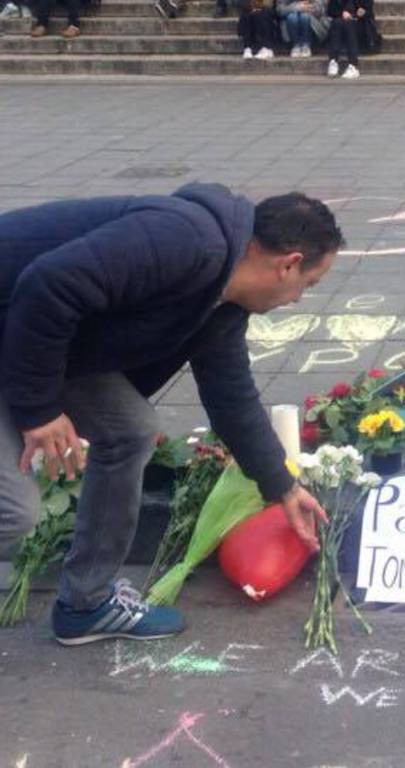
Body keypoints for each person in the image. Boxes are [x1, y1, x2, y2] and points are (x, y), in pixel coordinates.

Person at [0, 184, 343, 645]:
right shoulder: (186, 243)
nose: (300, 298)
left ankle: (84, 604)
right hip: (24, 328)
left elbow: (231, 399)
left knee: (130, 429)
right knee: (12, 512)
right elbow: (48, 285)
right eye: (309, 284)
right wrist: (39, 410)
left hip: (38, 343)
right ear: (288, 264)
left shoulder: (222, 306)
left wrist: (283, 485)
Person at [325, 0, 379, 79]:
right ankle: (333, 60)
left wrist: (360, 13)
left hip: (361, 25)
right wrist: (342, 13)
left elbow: (369, 12)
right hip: (341, 24)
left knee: (349, 24)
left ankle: (353, 65)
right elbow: (330, 11)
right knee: (336, 23)